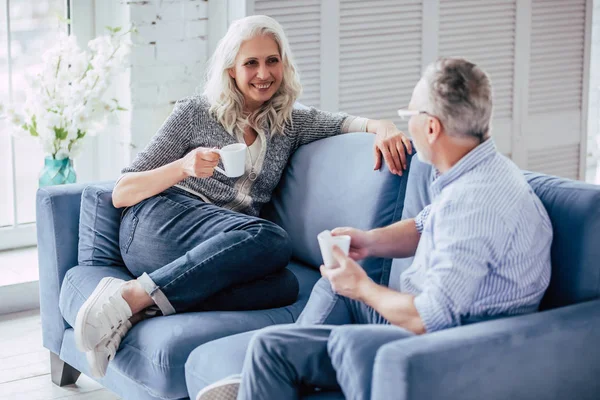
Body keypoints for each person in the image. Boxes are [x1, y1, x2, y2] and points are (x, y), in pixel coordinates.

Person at [73, 15, 412, 378]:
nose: (263, 73)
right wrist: (183, 167)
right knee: (268, 237)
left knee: (283, 286)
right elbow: (123, 192)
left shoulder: (289, 123)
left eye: (272, 61)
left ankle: (142, 302)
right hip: (157, 223)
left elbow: (348, 123)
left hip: (209, 252)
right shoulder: (195, 113)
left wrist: (386, 127)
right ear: (231, 70)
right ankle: (129, 298)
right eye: (251, 63)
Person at [196, 57, 553, 400]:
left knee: (269, 347)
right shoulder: (476, 171)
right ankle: (273, 373)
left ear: (431, 127)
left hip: (449, 346)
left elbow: (429, 317)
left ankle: (270, 371)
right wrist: (367, 242)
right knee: (334, 286)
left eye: (408, 115)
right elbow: (424, 226)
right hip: (434, 323)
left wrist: (364, 288)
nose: (406, 124)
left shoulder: (474, 205)